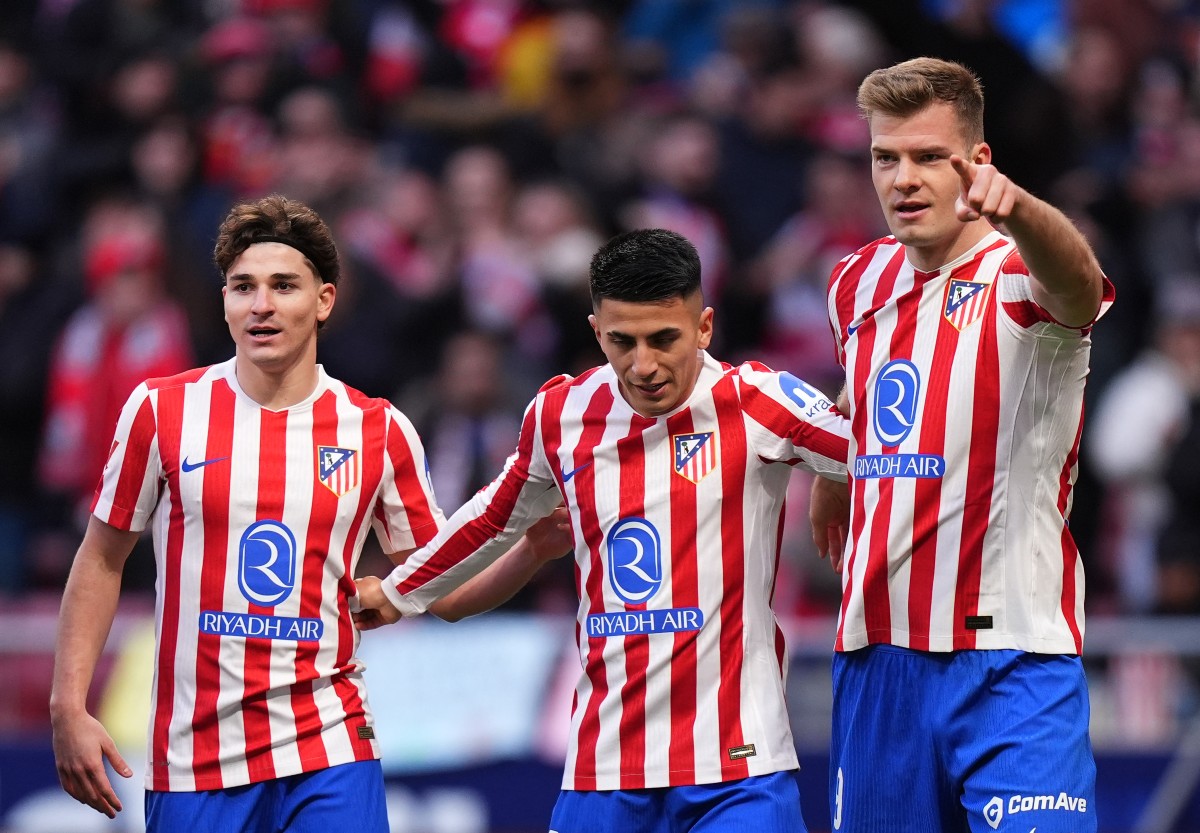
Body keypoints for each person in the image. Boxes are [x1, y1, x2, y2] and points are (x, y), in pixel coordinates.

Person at [49, 194, 568, 832]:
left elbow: (441, 591)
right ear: (225, 302)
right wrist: (67, 704)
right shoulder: (162, 411)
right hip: (195, 760)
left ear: (323, 301)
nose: (260, 305)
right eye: (243, 287)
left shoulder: (378, 429)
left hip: (329, 745)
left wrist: (532, 551)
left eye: (283, 286)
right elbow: (101, 558)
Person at [355, 227, 851, 832]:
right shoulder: (560, 414)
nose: (643, 365)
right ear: (596, 332)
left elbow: (882, 455)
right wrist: (399, 590)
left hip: (738, 766)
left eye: (664, 339)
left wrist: (831, 477)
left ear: (704, 327)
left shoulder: (758, 402)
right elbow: (494, 516)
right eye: (622, 342)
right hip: (604, 768)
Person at [809, 57, 1112, 832]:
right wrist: (836, 469)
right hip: (878, 659)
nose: (903, 179)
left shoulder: (1021, 268)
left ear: (977, 163)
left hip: (1012, 660)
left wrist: (1022, 211)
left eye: (928, 157)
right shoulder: (856, 281)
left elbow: (1080, 284)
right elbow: (872, 385)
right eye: (886, 157)